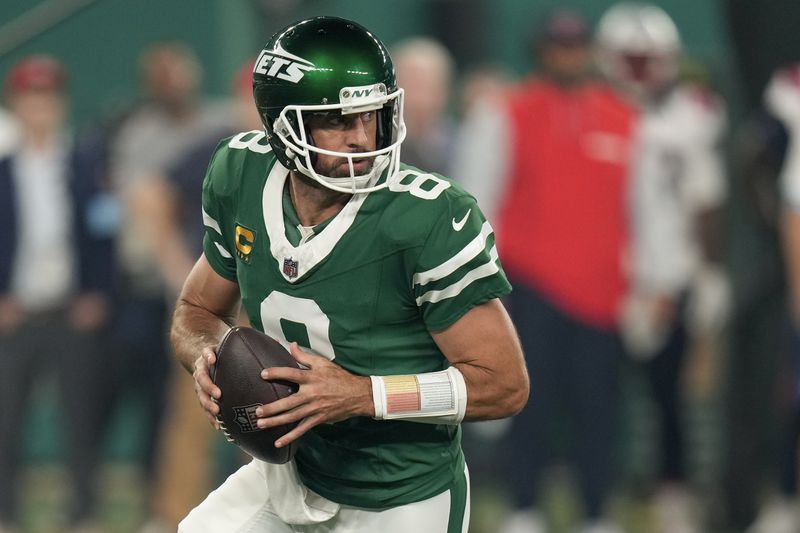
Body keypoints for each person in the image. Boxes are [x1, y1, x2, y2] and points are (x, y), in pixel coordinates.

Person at [170, 16, 529, 533]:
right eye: (338, 120)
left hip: (400, 496)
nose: (362, 138)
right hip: (289, 475)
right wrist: (209, 358)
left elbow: (504, 386)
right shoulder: (239, 173)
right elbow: (197, 310)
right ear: (282, 125)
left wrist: (363, 395)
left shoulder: (426, 217)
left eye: (372, 115)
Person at [452, 9, 637, 533]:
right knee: (525, 403)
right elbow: (477, 201)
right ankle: (523, 507)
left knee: (598, 409)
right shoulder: (508, 112)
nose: (568, 56)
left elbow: (642, 208)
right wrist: (480, 286)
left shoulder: (623, 117)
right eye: (558, 47)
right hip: (528, 285)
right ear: (542, 52)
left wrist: (648, 281)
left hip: (603, 292)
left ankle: (597, 511)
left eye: (576, 46)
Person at [596, 4, 730, 531]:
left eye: (648, 61)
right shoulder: (597, 111)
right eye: (630, 61)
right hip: (605, 279)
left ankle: (675, 493)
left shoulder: (693, 115)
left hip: (669, 278)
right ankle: (601, 493)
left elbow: (708, 203)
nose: (640, 74)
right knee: (598, 394)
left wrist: (709, 272)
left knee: (672, 396)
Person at [0, 55, 114, 532]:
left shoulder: (85, 162)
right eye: (31, 98)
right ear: (16, 104)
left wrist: (98, 292)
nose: (40, 108)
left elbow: (105, 231)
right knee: (7, 421)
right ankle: (7, 511)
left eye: (48, 98)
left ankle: (82, 510)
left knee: (79, 417)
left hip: (70, 310)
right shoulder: (5, 170)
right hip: (15, 312)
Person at [738, 62, 800, 533]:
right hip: (791, 262)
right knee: (790, 394)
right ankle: (784, 495)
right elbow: (785, 199)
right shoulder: (788, 91)